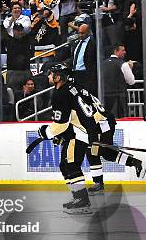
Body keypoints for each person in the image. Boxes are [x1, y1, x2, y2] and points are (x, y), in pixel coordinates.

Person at [35, 63, 106, 214]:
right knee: (64, 165)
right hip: (81, 131)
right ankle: (78, 197)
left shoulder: (61, 93)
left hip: (78, 133)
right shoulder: (72, 88)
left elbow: (61, 124)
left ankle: (82, 200)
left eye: (51, 74)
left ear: (58, 77)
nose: (48, 76)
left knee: (71, 165)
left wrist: (46, 132)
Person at [101, 44, 137, 118]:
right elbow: (131, 81)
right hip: (120, 98)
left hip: (105, 97)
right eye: (122, 50)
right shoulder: (123, 64)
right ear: (116, 51)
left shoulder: (102, 64)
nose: (125, 52)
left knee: (107, 118)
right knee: (121, 120)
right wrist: (130, 68)